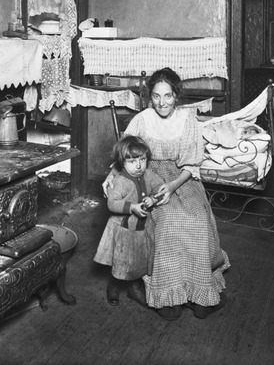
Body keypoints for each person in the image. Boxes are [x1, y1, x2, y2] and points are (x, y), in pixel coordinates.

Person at [103, 67, 230, 321]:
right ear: (150, 97)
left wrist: (172, 187)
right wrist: (113, 174)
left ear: (176, 96)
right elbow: (125, 153)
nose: (162, 102)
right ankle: (166, 291)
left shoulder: (188, 120)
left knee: (195, 218)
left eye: (168, 96)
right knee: (168, 220)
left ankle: (198, 290)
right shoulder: (142, 119)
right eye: (157, 96)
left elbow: (191, 165)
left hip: (182, 178)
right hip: (147, 176)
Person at [94, 136, 165, 307]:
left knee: (139, 257)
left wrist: (153, 199)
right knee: (122, 259)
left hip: (141, 229)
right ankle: (114, 285)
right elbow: (112, 203)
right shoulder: (121, 181)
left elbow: (160, 186)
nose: (139, 165)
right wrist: (132, 206)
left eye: (142, 159)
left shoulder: (148, 175)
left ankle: (134, 287)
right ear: (122, 162)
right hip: (123, 230)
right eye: (132, 161)